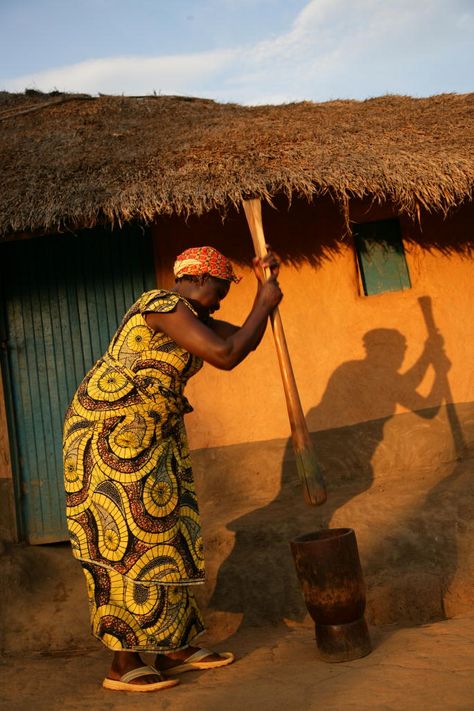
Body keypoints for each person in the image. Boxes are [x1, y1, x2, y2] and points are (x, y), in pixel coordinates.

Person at [63, 245, 282, 693]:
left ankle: (173, 645)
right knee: (128, 537)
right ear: (201, 278)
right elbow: (223, 354)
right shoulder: (160, 306)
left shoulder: (193, 319)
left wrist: (267, 290)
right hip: (110, 437)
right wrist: (263, 301)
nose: (221, 301)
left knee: (171, 531)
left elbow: (242, 339)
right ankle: (124, 662)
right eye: (221, 290)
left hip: (152, 436)